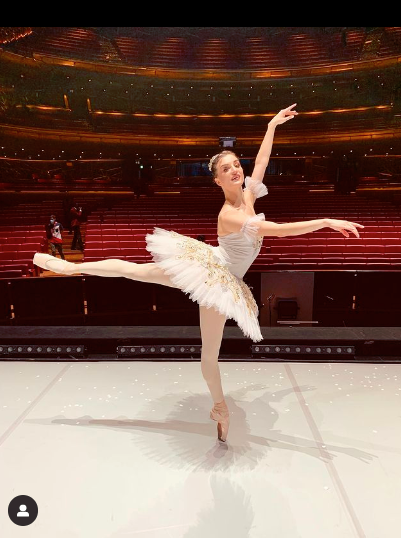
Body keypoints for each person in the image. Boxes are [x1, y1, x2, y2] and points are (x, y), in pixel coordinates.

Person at [33, 104, 364, 443]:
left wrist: (271, 126)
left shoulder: (249, 194)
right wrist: (325, 221)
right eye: (226, 168)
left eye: (236, 164)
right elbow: (277, 230)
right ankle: (72, 266)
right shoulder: (230, 215)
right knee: (142, 276)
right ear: (217, 179)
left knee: (193, 332)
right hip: (211, 275)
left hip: (220, 269)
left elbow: (262, 162)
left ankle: (219, 407)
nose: (235, 170)